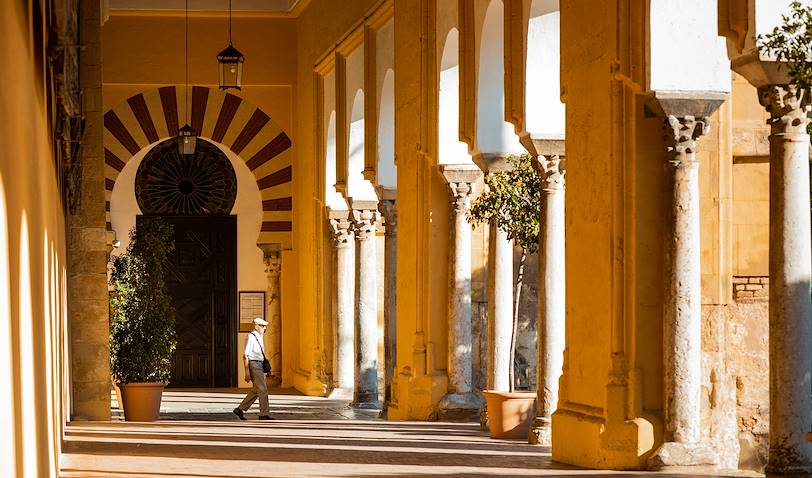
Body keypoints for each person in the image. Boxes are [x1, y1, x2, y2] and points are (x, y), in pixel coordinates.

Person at [233, 317, 273, 420]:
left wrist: (267, 369)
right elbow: (245, 355)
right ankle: (263, 414)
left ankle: (240, 409)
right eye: (263, 326)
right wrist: (247, 372)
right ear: (256, 326)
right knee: (263, 390)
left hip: (259, 364)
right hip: (254, 365)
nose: (265, 328)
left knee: (256, 390)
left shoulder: (259, 337)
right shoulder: (250, 337)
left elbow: (261, 354)